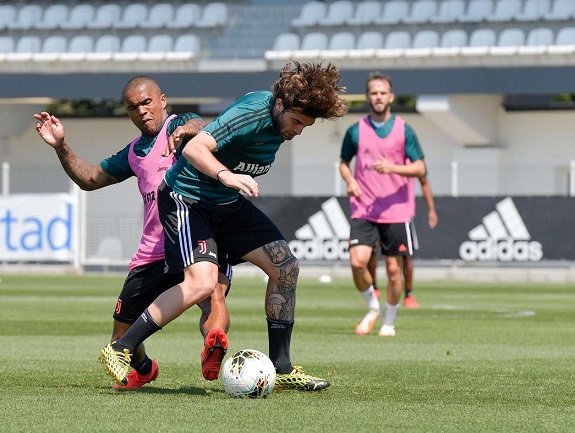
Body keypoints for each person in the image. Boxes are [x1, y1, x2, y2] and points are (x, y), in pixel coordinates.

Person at [100, 61, 348, 390]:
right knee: (202, 284)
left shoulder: (280, 125)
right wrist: (226, 175)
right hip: (186, 199)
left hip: (225, 204)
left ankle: (282, 367)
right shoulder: (252, 112)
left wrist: (228, 183)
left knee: (285, 267)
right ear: (279, 105)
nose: (298, 130)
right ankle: (120, 348)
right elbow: (194, 147)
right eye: (296, 121)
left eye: (305, 125)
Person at [34, 76, 232, 389]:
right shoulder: (133, 153)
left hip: (195, 235)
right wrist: (61, 146)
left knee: (213, 293)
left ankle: (213, 342)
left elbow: (197, 123)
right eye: (133, 107)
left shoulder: (180, 127)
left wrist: (184, 131)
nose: (141, 111)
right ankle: (144, 367)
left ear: (162, 100)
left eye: (147, 102)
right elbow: (89, 178)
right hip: (153, 251)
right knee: (121, 335)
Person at [339, 71, 426, 337]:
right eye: (373, 92)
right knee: (357, 262)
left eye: (382, 92)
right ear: (367, 97)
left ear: (391, 96)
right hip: (365, 208)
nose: (378, 97)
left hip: (396, 210)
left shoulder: (403, 129)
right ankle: (372, 306)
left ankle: (389, 321)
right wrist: (350, 180)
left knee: (392, 269)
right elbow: (343, 163)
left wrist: (394, 168)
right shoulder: (355, 131)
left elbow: (421, 167)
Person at [368, 174, 438, 308]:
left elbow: (423, 179)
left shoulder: (407, 159)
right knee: (371, 251)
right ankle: (374, 288)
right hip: (375, 213)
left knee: (406, 256)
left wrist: (431, 210)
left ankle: (408, 295)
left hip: (400, 215)